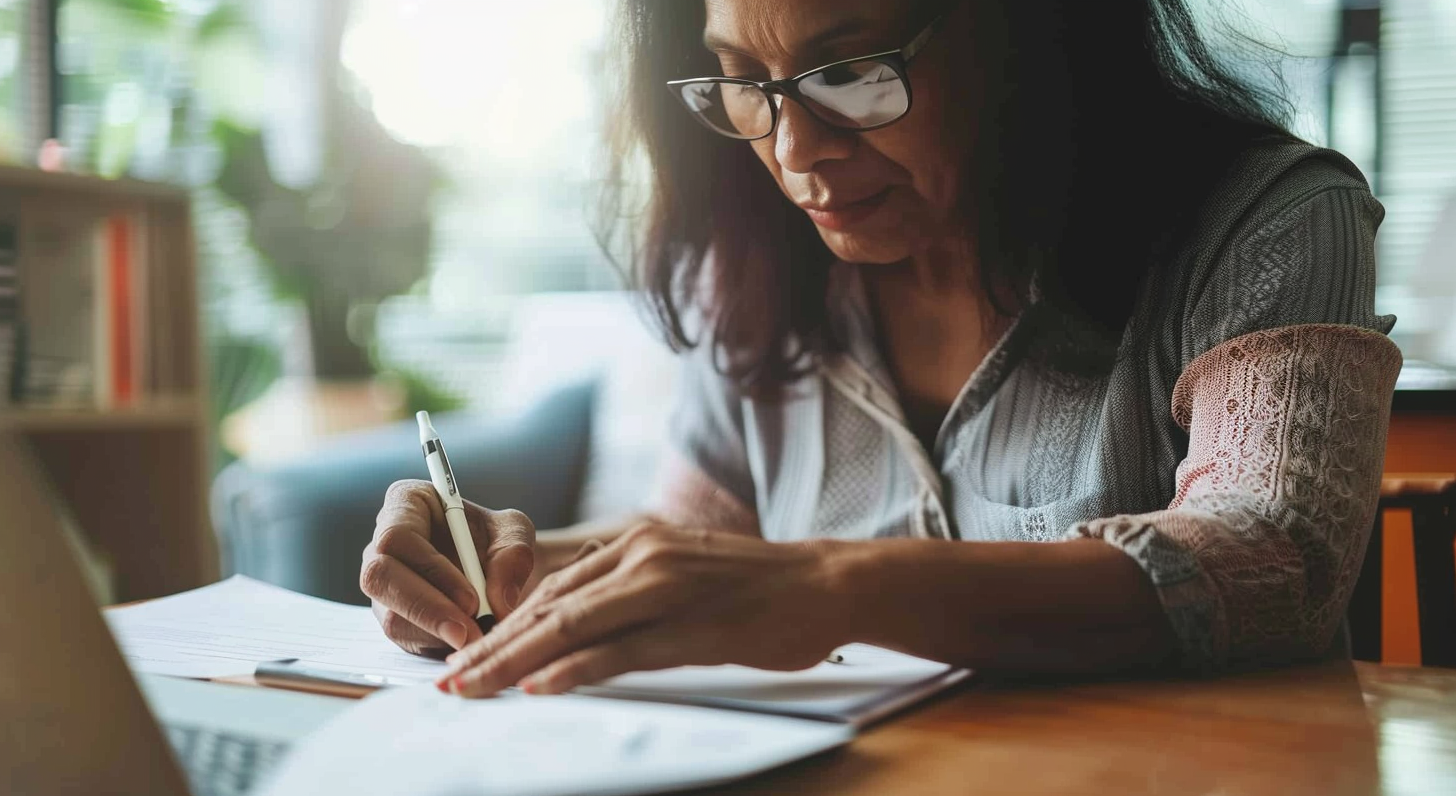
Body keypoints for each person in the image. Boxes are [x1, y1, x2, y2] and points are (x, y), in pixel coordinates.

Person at [360, 0, 1403, 697]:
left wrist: (836, 583)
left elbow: (1275, 561)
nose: (794, 149)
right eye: (740, 77)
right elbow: (700, 551)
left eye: (851, 71)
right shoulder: (760, 274)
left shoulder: (1264, 219)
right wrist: (512, 568)